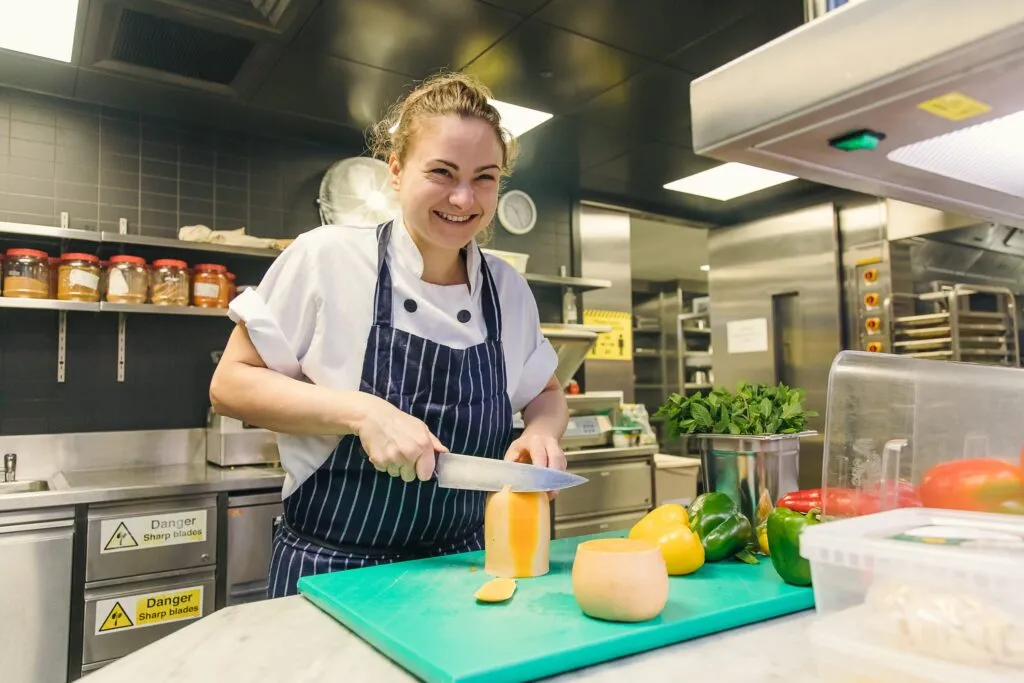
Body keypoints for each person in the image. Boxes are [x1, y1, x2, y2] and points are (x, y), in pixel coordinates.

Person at [209, 72, 569, 598]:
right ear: (396, 171)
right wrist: (364, 412)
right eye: (442, 172)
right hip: (333, 571)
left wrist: (541, 433)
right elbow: (230, 385)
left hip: (467, 569)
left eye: (485, 177)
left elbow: (548, 395)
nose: (464, 198)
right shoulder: (326, 257)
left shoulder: (508, 290)